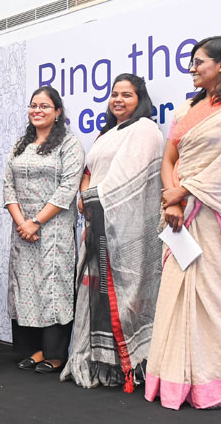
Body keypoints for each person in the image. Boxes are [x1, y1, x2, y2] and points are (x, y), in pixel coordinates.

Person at [145, 36, 221, 410]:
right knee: (177, 299)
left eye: (199, 62)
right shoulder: (185, 109)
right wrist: (173, 198)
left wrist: (182, 193)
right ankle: (175, 383)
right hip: (180, 215)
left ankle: (216, 387)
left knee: (219, 302)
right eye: (191, 62)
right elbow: (169, 159)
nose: (192, 69)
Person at [60, 73, 163, 392]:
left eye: (127, 95)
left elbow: (128, 181)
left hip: (127, 230)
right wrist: (84, 193)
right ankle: (97, 364)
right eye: (114, 94)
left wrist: (93, 198)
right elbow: (89, 171)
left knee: (123, 295)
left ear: (140, 99)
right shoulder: (107, 133)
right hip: (97, 223)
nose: (118, 99)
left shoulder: (145, 130)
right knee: (95, 294)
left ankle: (127, 366)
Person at [3, 86, 84, 375]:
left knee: (52, 287)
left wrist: (35, 221)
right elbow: (7, 184)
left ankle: (55, 353)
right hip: (22, 229)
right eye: (33, 105)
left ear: (58, 112)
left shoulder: (69, 144)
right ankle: (33, 350)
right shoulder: (20, 144)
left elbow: (68, 188)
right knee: (25, 288)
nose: (37, 110)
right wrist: (21, 221)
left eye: (45, 106)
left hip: (53, 229)